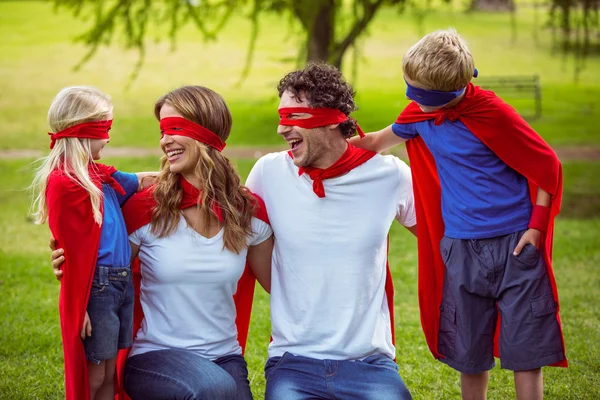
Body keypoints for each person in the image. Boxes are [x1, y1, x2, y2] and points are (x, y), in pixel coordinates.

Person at [350, 29, 567, 399]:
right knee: (468, 349)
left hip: (516, 243)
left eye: (421, 95)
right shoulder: (418, 115)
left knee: (525, 346)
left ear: (454, 91)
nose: (412, 100)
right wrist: (330, 131)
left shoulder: (493, 114)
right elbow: (374, 142)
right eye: (409, 90)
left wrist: (537, 227)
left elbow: (546, 165)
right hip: (462, 247)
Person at [51, 85, 274, 400]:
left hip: (225, 357)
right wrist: (71, 265)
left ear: (208, 135)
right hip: (154, 357)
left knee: (218, 387)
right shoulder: (144, 209)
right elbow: (102, 265)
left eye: (176, 129)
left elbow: (281, 286)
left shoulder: (247, 212)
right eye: (162, 131)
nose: (165, 140)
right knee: (213, 389)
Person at [245, 62, 416, 400]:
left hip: (370, 363)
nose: (281, 129)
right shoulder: (268, 173)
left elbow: (444, 238)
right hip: (293, 362)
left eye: (293, 117)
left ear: (328, 120)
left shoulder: (390, 175)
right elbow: (243, 242)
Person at [32, 86, 153, 400]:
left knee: (112, 373)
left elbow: (141, 180)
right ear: (86, 132)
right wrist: (80, 307)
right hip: (97, 289)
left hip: (119, 283)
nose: (109, 138)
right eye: (105, 129)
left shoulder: (101, 176)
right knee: (95, 375)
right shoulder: (65, 182)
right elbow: (71, 252)